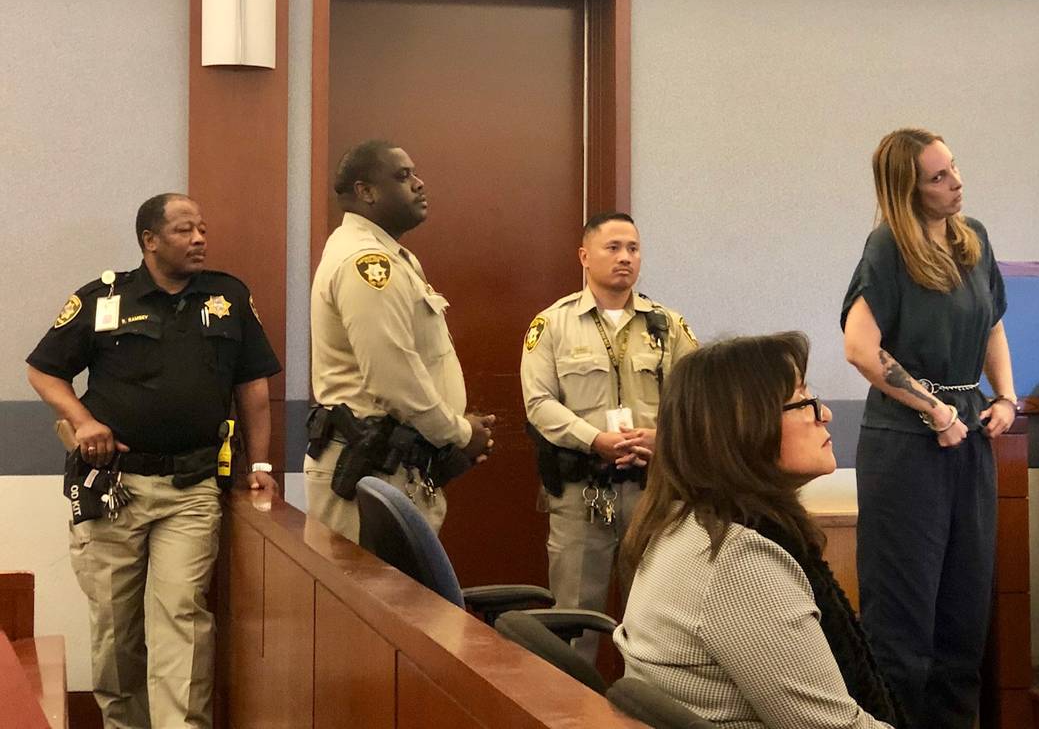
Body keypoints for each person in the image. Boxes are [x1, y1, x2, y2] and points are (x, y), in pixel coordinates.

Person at [26, 193, 281, 729]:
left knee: (182, 619)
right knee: (117, 627)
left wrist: (260, 467)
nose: (200, 240)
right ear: (149, 241)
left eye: (203, 229)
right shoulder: (103, 299)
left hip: (192, 488)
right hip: (114, 489)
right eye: (185, 230)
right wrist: (84, 421)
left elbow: (252, 386)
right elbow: (44, 370)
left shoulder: (228, 298)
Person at [616, 332, 900, 729]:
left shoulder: (684, 524)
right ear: (744, 427)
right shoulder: (737, 564)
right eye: (802, 400)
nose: (825, 414)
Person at [841, 128, 1016, 729]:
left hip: (969, 435)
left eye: (955, 168)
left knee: (963, 622)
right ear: (907, 188)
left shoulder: (973, 239)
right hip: (906, 444)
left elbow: (992, 324)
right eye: (939, 177)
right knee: (903, 628)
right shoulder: (888, 246)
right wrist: (932, 409)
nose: (956, 182)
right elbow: (860, 348)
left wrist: (1008, 398)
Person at [520, 211, 697, 661]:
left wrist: (661, 438)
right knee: (575, 623)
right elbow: (539, 403)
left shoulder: (668, 325)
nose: (625, 258)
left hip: (653, 493)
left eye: (633, 249)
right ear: (584, 256)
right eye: (613, 248)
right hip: (583, 495)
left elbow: (695, 403)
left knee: (660, 621)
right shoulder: (552, 325)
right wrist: (592, 439)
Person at [307, 139, 493, 542]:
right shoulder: (367, 264)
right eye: (403, 176)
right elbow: (393, 380)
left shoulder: (394, 258)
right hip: (369, 471)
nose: (420, 184)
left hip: (395, 467)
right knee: (369, 603)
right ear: (366, 192)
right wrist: (460, 433)